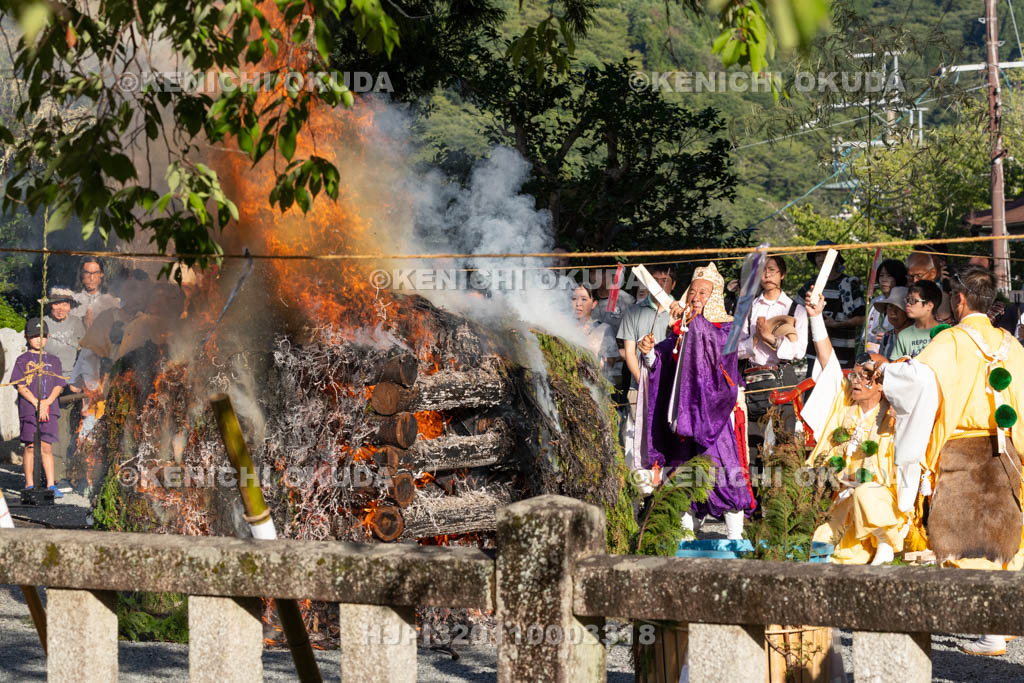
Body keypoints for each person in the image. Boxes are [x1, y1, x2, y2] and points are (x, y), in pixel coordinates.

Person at [875, 266, 1024, 656]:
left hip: (965, 449)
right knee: (1004, 534)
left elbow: (917, 380)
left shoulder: (951, 340)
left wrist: (884, 371)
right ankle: (1003, 624)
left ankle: (991, 632)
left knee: (965, 539)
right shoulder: (1010, 343)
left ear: (958, 300)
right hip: (1007, 447)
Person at [800, 289, 920, 565]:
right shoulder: (845, 402)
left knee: (867, 492)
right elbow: (829, 362)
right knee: (823, 544)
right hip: (846, 494)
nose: (855, 381)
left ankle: (886, 543)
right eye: (855, 375)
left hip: (882, 499)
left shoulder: (894, 413)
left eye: (865, 376)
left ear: (881, 384)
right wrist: (816, 317)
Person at [636, 263, 754, 540]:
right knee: (682, 470)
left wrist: (693, 323)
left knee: (724, 469)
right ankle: (686, 535)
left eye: (703, 292)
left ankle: (735, 536)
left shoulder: (727, 328)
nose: (696, 297)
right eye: (693, 292)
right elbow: (665, 360)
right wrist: (650, 353)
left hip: (717, 413)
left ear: (713, 297)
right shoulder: (680, 329)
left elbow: (718, 352)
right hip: (683, 413)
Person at [736, 255, 807, 451]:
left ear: (782, 274)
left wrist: (770, 338)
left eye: (772, 270)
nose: (767, 274)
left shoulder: (795, 309)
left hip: (783, 375)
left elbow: (799, 351)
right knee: (752, 440)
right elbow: (736, 349)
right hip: (754, 376)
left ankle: (784, 480)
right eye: (762, 271)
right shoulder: (749, 308)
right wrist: (756, 339)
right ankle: (753, 480)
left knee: (785, 439)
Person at [617, 265, 676, 461]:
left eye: (664, 280)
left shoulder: (680, 312)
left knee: (671, 438)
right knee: (637, 440)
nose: (659, 284)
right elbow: (630, 352)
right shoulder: (633, 311)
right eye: (655, 280)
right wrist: (643, 381)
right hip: (638, 386)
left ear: (673, 285)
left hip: (672, 387)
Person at [10, 319, 66, 498]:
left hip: (49, 409)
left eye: (42, 336)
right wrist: (37, 403)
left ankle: (50, 484)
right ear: (27, 337)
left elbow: (59, 384)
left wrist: (47, 402)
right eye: (34, 336)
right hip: (29, 408)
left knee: (46, 447)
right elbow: (19, 385)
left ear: (47, 337)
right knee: (30, 445)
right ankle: (29, 484)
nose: (38, 340)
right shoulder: (22, 360)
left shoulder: (54, 360)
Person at [41, 287, 85, 491]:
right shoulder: (43, 324)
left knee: (69, 429)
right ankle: (52, 476)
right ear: (50, 305)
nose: (61, 308)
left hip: (71, 383)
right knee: (51, 429)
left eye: (65, 303)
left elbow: (84, 351)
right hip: (48, 383)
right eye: (57, 303)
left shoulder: (76, 324)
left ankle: (68, 474)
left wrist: (80, 378)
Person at [798, 240, 865, 368]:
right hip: (815, 352)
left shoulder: (850, 284)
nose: (821, 258)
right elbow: (794, 313)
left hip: (842, 353)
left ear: (835, 258)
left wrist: (837, 324)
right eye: (817, 255)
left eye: (825, 254)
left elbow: (862, 318)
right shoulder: (810, 285)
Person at [571, 284, 620, 381]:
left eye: (584, 299)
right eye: (574, 299)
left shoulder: (603, 329)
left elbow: (608, 366)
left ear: (594, 304)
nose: (578, 304)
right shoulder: (562, 327)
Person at [889, 280, 941, 360]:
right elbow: (896, 365)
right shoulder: (904, 335)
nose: (908, 304)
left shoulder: (945, 331)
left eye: (913, 301)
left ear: (929, 305)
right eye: (907, 300)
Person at [865, 259, 908, 353]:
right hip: (870, 355)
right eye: (881, 275)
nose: (884, 280)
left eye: (889, 276)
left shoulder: (906, 301)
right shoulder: (875, 302)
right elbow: (865, 335)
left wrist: (888, 335)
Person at [73, 257, 120, 329]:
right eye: (87, 273)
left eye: (95, 273)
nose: (91, 278)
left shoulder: (111, 302)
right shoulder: (72, 300)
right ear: (81, 274)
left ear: (101, 274)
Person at [871, 287, 910, 359]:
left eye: (899, 308)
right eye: (890, 306)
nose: (893, 312)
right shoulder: (887, 337)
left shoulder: (915, 337)